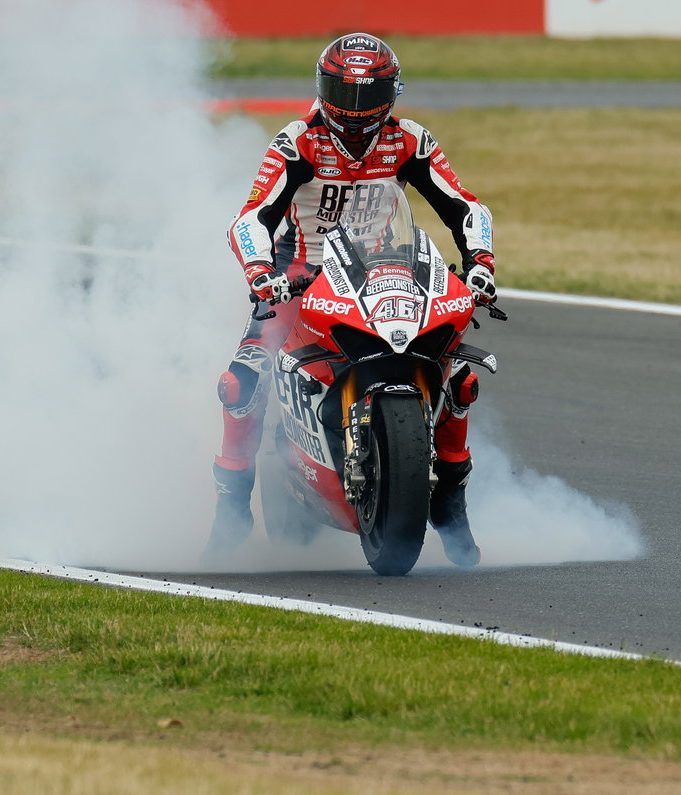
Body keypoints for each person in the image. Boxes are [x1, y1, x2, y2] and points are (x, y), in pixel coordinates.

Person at [208, 33, 498, 567]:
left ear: (393, 91)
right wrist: (259, 274)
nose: (357, 109)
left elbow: (465, 206)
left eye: (370, 95)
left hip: (388, 263)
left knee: (456, 366)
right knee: (243, 379)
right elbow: (251, 218)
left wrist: (480, 263)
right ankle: (232, 504)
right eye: (345, 92)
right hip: (301, 275)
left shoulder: (411, 140)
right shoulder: (297, 142)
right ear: (323, 88)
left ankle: (452, 498)